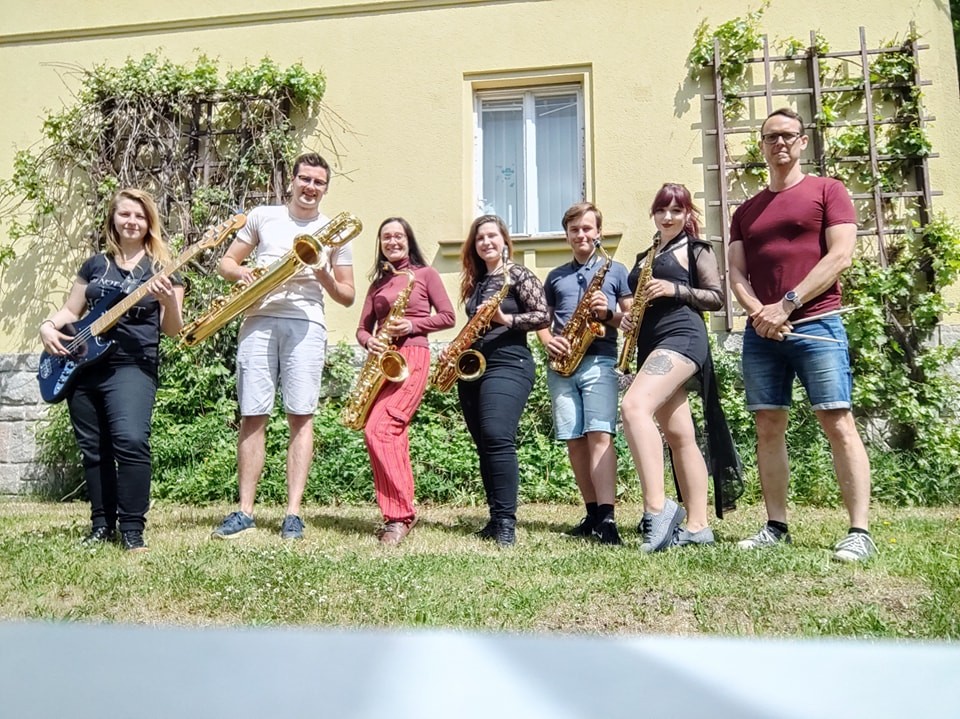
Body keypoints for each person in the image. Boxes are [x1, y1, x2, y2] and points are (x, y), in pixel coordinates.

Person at [728, 107, 875, 562]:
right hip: (762, 333)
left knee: (837, 421)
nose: (780, 143)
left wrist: (786, 304)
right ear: (761, 145)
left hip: (817, 323)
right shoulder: (746, 211)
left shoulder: (828, 191)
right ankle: (776, 526)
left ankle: (859, 531)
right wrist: (760, 313)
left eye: (788, 135)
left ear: (803, 141)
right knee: (768, 425)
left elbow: (841, 255)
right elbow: (736, 272)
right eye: (771, 136)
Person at [211, 152, 355, 541]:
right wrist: (242, 273)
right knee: (253, 413)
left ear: (326, 188)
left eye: (318, 182)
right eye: (304, 179)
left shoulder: (333, 231)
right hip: (258, 318)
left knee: (301, 415)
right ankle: (245, 511)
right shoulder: (263, 216)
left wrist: (323, 273)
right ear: (291, 181)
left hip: (306, 323)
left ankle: (292, 514)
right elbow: (226, 263)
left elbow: (347, 295)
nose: (310, 187)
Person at [38, 188, 185, 551]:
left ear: (149, 222)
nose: (132, 222)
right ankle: (101, 525)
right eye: (125, 214)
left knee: (131, 440)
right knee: (94, 448)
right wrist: (47, 326)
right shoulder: (95, 265)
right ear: (113, 219)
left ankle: (132, 529)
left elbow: (172, 329)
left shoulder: (162, 269)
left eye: (139, 216)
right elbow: (71, 311)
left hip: (132, 365)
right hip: (83, 363)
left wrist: (167, 300)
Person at [620, 183, 741, 552]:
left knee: (633, 407)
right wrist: (628, 319)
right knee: (679, 435)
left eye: (676, 210)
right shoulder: (645, 255)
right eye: (661, 210)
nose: (668, 216)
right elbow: (639, 300)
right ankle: (698, 526)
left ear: (688, 214)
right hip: (650, 342)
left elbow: (716, 298)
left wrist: (674, 290)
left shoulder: (696, 249)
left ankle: (658, 509)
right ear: (653, 214)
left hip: (682, 337)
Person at [449, 215, 549, 546]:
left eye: (492, 236)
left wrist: (506, 319)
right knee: (484, 443)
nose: (486, 242)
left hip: (509, 363)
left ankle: (506, 522)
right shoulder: (477, 281)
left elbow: (543, 315)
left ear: (505, 240)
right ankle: (494, 519)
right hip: (474, 366)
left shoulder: (517, 274)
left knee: (496, 435)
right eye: (480, 238)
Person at [355, 217, 455, 545]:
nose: (393, 242)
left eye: (398, 236)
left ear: (408, 240)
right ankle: (398, 514)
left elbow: (448, 316)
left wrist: (412, 326)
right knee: (390, 435)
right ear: (380, 244)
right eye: (386, 237)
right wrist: (369, 341)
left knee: (381, 429)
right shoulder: (379, 283)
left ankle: (399, 515)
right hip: (382, 360)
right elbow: (362, 328)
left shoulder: (425, 274)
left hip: (412, 355)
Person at [537, 202, 632, 544]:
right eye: (574, 230)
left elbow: (631, 320)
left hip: (600, 361)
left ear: (598, 233)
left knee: (600, 435)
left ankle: (607, 518)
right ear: (567, 235)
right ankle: (592, 514)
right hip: (562, 365)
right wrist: (548, 341)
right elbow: (542, 321)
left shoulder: (616, 270)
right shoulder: (555, 276)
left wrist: (608, 314)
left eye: (587, 229)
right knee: (574, 441)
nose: (581, 235)